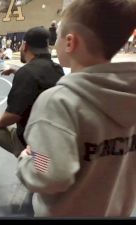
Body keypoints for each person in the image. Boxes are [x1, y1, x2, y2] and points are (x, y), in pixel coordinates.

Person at [17, 0, 136, 217]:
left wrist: (28, 158)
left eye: (58, 36)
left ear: (70, 42)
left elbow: (49, 172)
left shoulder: (58, 102)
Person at [0, 26, 64, 188]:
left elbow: (12, 117)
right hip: (52, 145)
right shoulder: (57, 70)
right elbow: (39, 77)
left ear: (24, 46)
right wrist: (17, 70)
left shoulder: (27, 73)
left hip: (30, 145)